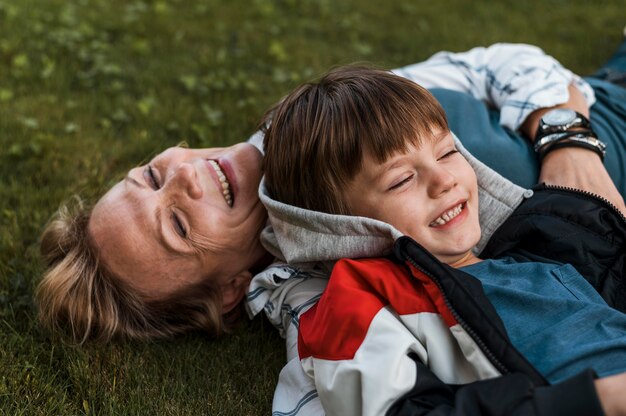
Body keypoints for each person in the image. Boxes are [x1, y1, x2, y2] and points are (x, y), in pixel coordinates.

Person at [248, 40, 626, 416]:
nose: (444, 179)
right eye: (401, 180)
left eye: (447, 152)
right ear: (340, 227)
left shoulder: (532, 249)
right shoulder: (365, 301)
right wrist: (598, 400)